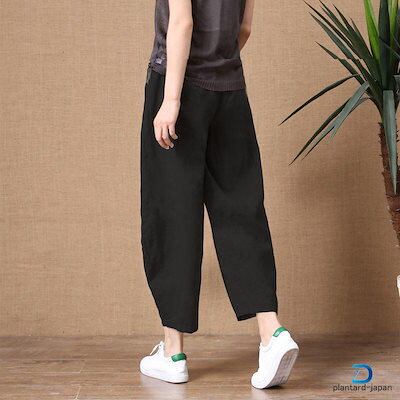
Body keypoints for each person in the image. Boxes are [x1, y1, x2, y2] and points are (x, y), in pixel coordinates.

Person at [139, 0, 299, 389]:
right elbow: (244, 28)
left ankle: (173, 353)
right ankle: (272, 333)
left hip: (179, 85)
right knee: (241, 211)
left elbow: (182, 22)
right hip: (229, 89)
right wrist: (218, 68)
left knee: (173, 215)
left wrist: (172, 100)